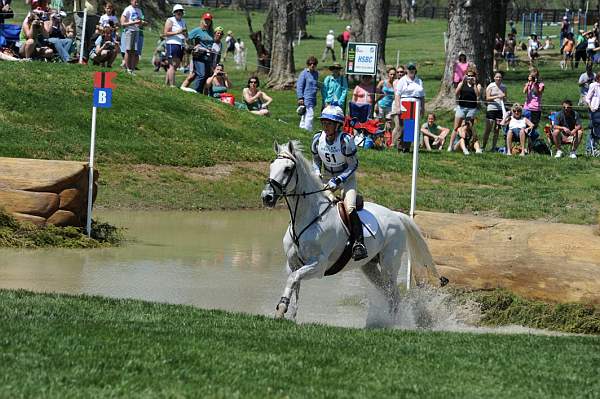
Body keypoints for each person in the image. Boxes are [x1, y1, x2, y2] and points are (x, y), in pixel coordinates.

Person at [311, 104, 367, 261]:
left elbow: (354, 165)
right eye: (324, 123)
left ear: (337, 125)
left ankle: (359, 244)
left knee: (349, 208)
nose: (326, 126)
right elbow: (315, 161)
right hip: (327, 179)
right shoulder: (317, 139)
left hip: (346, 179)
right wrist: (316, 172)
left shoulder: (346, 140)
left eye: (329, 123)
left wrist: (340, 179)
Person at [393, 62, 425, 151]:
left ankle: (406, 148)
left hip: (416, 104)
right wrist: (398, 106)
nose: (411, 70)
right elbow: (397, 95)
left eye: (413, 69)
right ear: (407, 70)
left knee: (411, 127)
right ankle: (400, 146)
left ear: (415, 70)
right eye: (409, 69)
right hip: (405, 104)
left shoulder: (419, 81)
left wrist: (423, 108)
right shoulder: (402, 80)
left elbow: (422, 96)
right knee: (402, 127)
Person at [449, 67, 481, 151]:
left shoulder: (477, 85)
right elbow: (456, 92)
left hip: (471, 109)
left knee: (469, 127)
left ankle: (469, 145)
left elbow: (477, 95)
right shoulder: (462, 83)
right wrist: (463, 82)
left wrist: (474, 84)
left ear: (475, 76)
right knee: (456, 127)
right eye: (468, 75)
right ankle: (450, 145)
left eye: (472, 75)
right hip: (461, 107)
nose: (470, 77)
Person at [185, 12, 213, 93]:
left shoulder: (211, 32)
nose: (207, 22)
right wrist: (192, 46)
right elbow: (187, 38)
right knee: (201, 74)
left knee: (206, 76)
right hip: (199, 55)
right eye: (206, 20)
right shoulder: (198, 30)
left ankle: (201, 93)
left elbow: (212, 43)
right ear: (202, 20)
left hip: (208, 56)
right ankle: (196, 92)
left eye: (209, 20)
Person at [482, 70, 507, 151]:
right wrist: (497, 96)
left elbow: (505, 99)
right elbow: (487, 98)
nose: (498, 78)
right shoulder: (491, 86)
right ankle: (483, 146)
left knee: (496, 130)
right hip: (491, 109)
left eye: (500, 77)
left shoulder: (504, 87)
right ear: (494, 78)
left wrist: (503, 97)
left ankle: (493, 148)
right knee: (488, 129)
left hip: (500, 110)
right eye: (497, 77)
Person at [163, 4, 187, 87]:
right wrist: (178, 32)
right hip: (172, 43)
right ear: (174, 12)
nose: (179, 12)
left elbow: (185, 34)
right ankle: (172, 85)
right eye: (177, 11)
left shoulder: (183, 21)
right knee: (172, 65)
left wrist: (185, 35)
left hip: (180, 44)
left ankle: (166, 84)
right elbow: (165, 33)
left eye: (180, 11)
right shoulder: (170, 20)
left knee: (175, 66)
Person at [296, 56, 319, 131]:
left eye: (314, 63)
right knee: (310, 115)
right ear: (308, 64)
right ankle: (308, 130)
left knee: (304, 115)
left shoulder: (316, 74)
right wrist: (300, 97)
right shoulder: (304, 73)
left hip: (313, 98)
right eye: (310, 63)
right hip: (306, 98)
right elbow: (299, 86)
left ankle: (302, 130)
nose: (312, 65)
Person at [120, 0, 142, 74]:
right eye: (135, 1)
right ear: (131, 1)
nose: (137, 3)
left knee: (134, 51)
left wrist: (142, 23)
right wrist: (134, 22)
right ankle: (127, 68)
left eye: (138, 2)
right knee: (128, 50)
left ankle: (132, 69)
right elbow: (122, 23)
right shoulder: (127, 9)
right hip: (129, 31)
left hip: (136, 31)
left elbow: (140, 21)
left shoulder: (139, 10)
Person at [523, 68, 544, 132]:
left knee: (534, 126)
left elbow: (537, 93)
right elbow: (524, 91)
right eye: (531, 76)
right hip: (527, 108)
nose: (532, 78)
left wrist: (535, 84)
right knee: (525, 126)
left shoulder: (541, 85)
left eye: (534, 76)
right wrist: (528, 83)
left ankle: (532, 141)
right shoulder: (528, 84)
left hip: (536, 108)